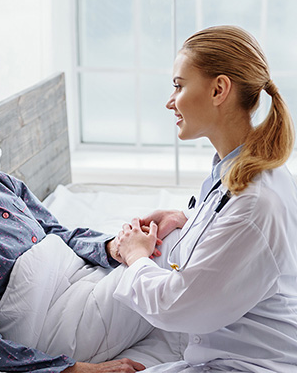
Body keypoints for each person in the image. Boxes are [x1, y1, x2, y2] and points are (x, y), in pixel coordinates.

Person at [0, 84, 155, 373]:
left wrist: (116, 247)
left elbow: (58, 232)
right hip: (54, 323)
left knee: (161, 240)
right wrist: (83, 370)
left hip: (77, 280)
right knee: (165, 257)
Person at [114, 25, 297, 372]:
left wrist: (135, 256)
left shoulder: (255, 203)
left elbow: (178, 306)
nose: (170, 101)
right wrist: (189, 219)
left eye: (179, 86)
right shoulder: (243, 172)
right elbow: (234, 234)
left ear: (219, 89)